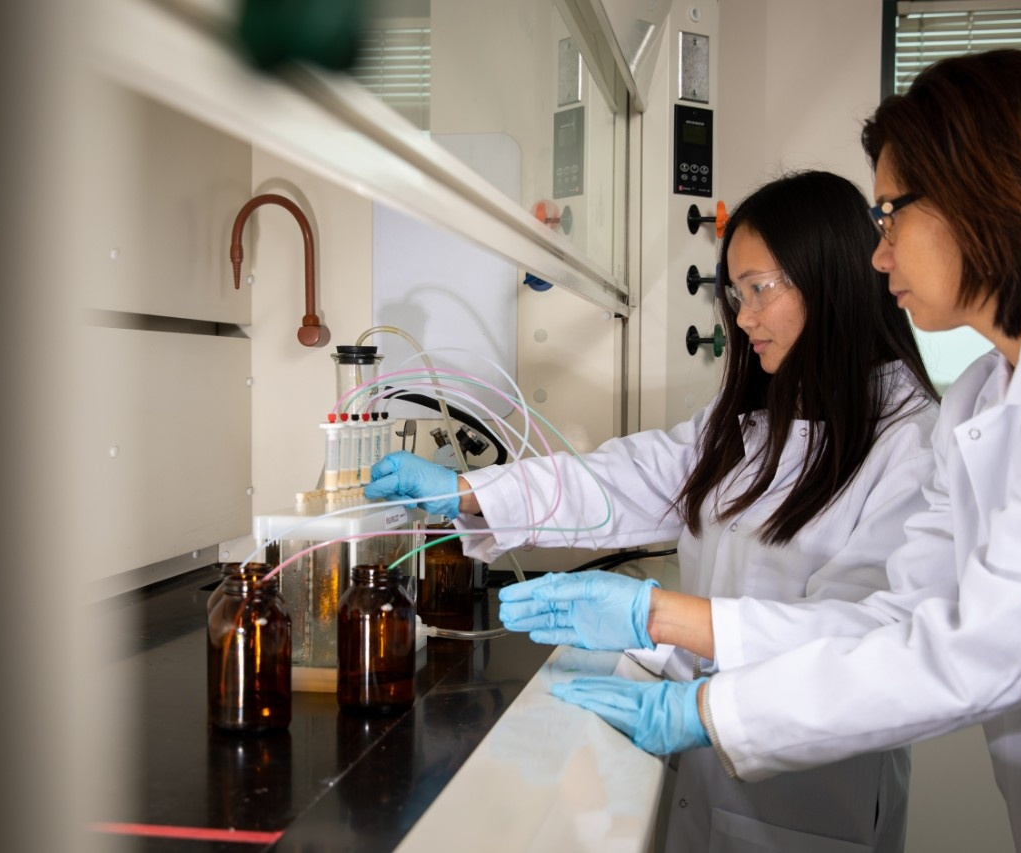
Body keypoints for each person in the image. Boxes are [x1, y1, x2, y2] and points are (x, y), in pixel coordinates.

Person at [496, 50, 1021, 853]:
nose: (880, 255)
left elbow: (978, 645)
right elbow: (899, 616)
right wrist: (484, 505)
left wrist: (703, 703)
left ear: (986, 188)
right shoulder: (985, 396)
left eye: (890, 214)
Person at [366, 169, 941, 852]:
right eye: (736, 293)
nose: (744, 317)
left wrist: (656, 616)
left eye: (760, 288)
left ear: (834, 280)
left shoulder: (911, 442)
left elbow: (864, 642)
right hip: (707, 773)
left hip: (814, 795)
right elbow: (627, 478)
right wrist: (468, 491)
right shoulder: (759, 418)